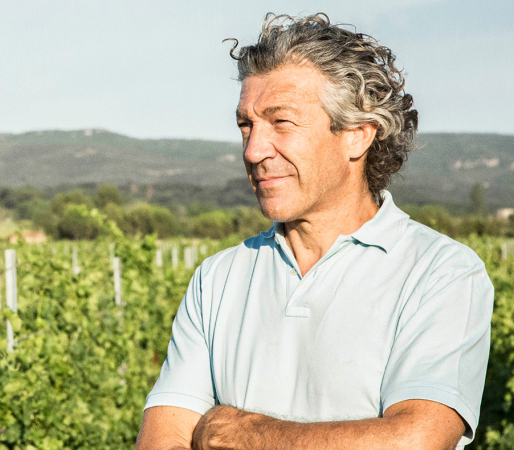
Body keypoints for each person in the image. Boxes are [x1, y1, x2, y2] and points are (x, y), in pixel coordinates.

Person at [135, 13, 493, 450]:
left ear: (358, 135)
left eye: (280, 122)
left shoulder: (442, 273)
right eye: (246, 125)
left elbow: (415, 439)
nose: (254, 150)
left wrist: (249, 435)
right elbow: (162, 439)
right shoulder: (218, 278)